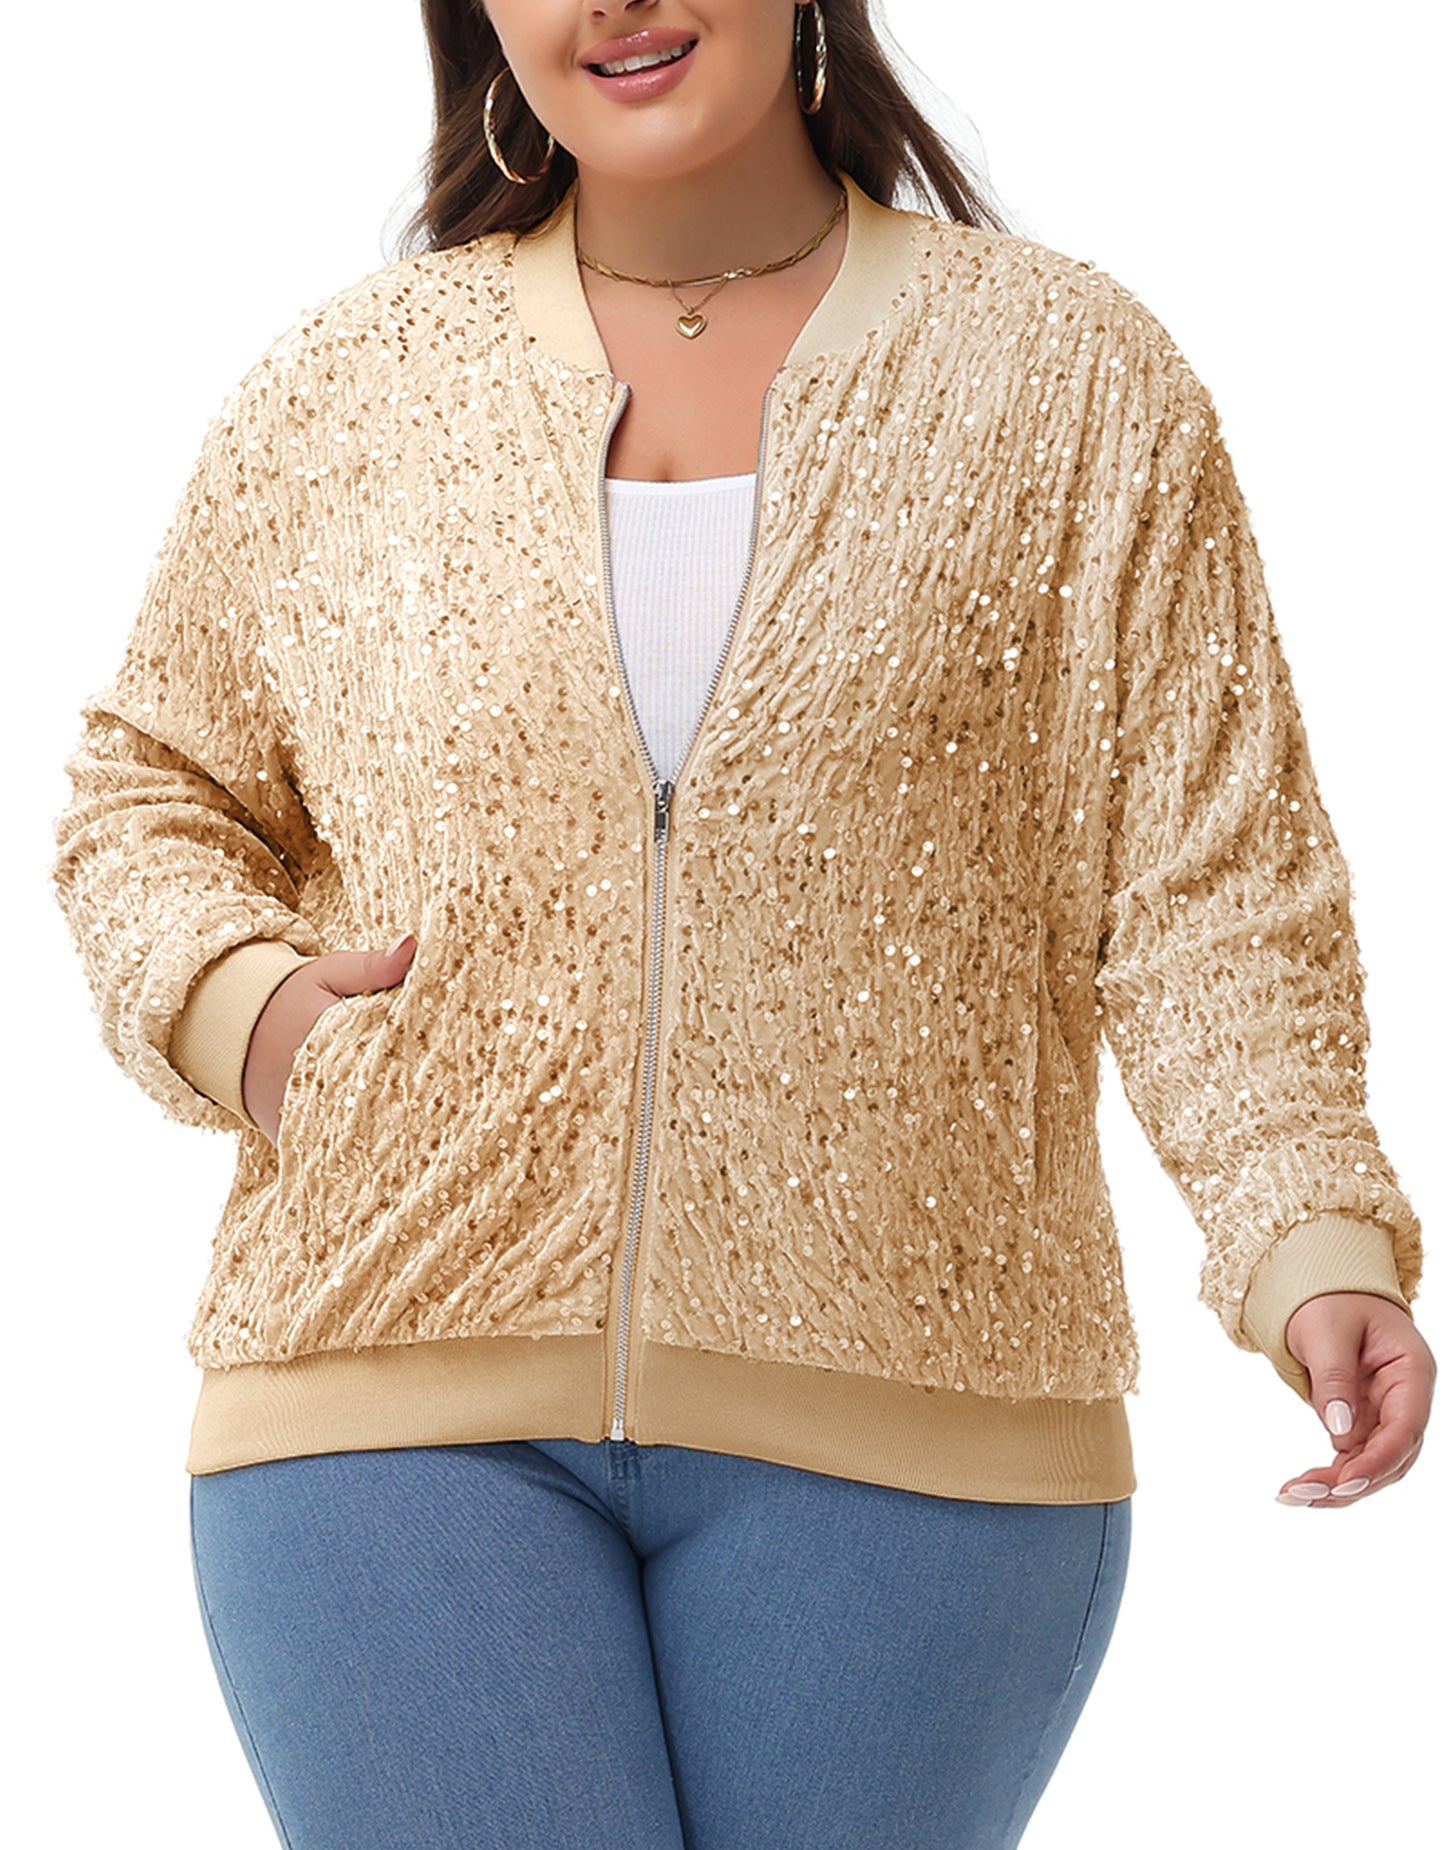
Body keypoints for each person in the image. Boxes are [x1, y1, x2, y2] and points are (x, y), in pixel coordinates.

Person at [47, 3, 1434, 1846]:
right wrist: (250, 1012)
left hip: (921, 1428)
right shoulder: (345, 392)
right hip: (380, 1395)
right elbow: (150, 788)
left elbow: (1206, 873)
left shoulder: (1068, 382)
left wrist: (1306, 1232)